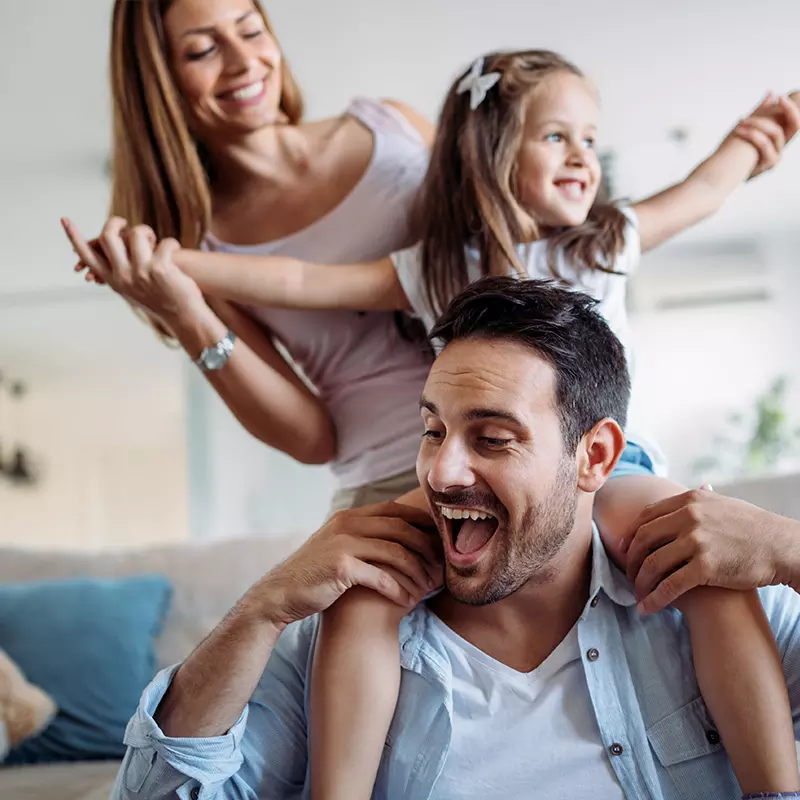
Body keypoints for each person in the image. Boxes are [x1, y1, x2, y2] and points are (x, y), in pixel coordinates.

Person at [66, 52, 800, 797]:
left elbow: (704, 191)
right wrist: (171, 270)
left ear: (590, 452)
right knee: (367, 593)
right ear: (493, 155)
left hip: (630, 467)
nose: (582, 155)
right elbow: (296, 282)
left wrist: (754, 139)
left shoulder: (605, 241)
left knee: (702, 566)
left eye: (493, 436)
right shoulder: (436, 265)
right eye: (556, 137)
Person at [109, 277, 800, 799]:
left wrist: (790, 547)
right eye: (433, 430)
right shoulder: (337, 640)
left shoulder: (702, 597)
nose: (441, 470)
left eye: (493, 438)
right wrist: (260, 609)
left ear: (594, 458)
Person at [64, 0, 437, 516]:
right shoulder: (199, 251)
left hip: (525, 437)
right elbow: (312, 440)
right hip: (391, 481)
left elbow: (502, 254)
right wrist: (185, 312)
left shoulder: (396, 127)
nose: (244, 62)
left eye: (251, 31)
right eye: (203, 50)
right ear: (159, 83)